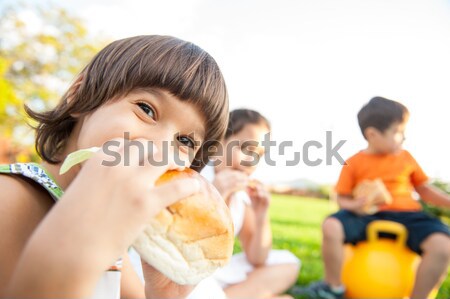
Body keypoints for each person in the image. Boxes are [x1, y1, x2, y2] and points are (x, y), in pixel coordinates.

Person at [0, 35, 229, 299]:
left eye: (185, 141)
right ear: (78, 94)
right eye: (146, 109)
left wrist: (163, 297)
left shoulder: (109, 218)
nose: (160, 149)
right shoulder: (12, 198)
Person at [293, 96, 450, 299]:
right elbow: (341, 197)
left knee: (443, 244)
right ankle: (333, 286)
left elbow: (424, 189)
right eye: (398, 132)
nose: (403, 137)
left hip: (409, 215)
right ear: (372, 134)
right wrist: (355, 206)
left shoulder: (406, 157)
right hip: (366, 216)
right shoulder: (354, 163)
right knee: (331, 225)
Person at [205, 109, 300, 299]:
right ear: (218, 143)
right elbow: (190, 246)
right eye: (245, 149)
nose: (251, 161)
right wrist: (217, 195)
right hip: (181, 272)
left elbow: (257, 259)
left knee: (289, 263)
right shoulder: (197, 178)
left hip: (213, 274)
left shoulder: (241, 196)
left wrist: (261, 215)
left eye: (259, 154)